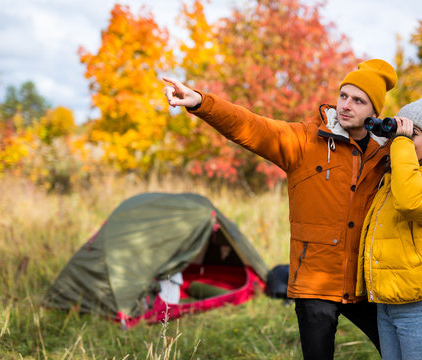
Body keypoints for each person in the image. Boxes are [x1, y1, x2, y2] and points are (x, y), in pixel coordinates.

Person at [163, 58, 398, 359]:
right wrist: (201, 102)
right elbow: (251, 127)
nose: (346, 105)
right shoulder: (304, 140)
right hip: (314, 283)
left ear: (374, 111)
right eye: (343, 96)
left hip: (364, 284)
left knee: (399, 350)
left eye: (358, 100)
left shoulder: (386, 153)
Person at [356, 94, 422, 360]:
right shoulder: (391, 181)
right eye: (400, 135)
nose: (402, 142)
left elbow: (411, 201)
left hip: (421, 308)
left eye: (412, 135)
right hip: (387, 304)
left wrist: (400, 141)